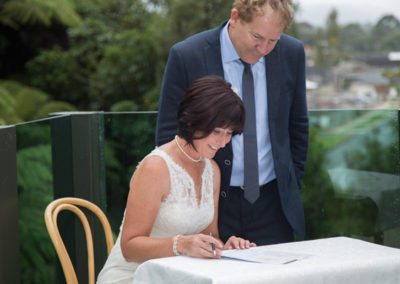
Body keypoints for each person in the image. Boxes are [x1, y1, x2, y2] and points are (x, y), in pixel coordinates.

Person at [156, 0, 309, 246]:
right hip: (209, 205)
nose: (264, 49)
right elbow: (168, 134)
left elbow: (298, 125)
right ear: (235, 17)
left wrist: (291, 182)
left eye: (273, 41)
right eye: (257, 37)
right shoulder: (187, 55)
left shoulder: (292, 53)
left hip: (273, 204)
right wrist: (190, 198)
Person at [97, 75, 254, 284]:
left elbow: (210, 235)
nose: (224, 141)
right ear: (192, 121)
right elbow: (129, 247)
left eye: (229, 133)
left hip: (178, 275)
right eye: (216, 131)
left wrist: (224, 247)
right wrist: (181, 245)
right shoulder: (156, 168)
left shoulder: (213, 171)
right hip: (133, 276)